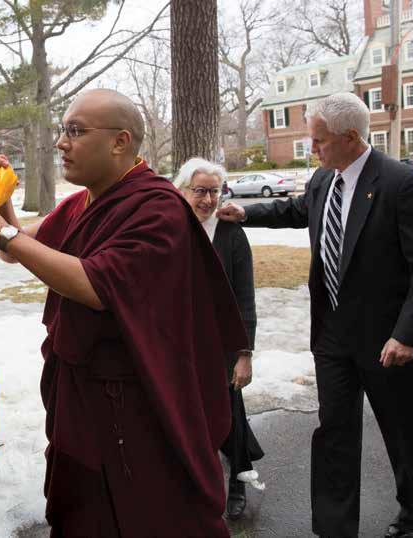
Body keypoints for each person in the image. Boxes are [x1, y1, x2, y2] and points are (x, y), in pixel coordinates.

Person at [0, 88, 247, 537]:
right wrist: (2, 204)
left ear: (120, 142)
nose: (61, 143)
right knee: (82, 511)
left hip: (133, 401)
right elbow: (18, 249)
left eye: (75, 131)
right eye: (62, 130)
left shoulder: (158, 208)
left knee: (146, 513)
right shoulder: (82, 203)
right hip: (81, 394)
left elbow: (94, 286)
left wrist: (5, 233)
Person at [218, 92, 413, 538]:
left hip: (388, 340)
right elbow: (297, 210)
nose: (312, 149)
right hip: (332, 336)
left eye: (319, 141)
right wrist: (246, 212)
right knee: (334, 433)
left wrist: (407, 334)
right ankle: (334, 526)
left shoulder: (401, 183)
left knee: (403, 432)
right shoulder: (325, 179)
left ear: (350, 138)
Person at [174, 157, 264, 520]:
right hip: (181, 343)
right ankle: (197, 484)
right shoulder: (172, 228)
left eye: (214, 191)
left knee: (229, 411)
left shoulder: (230, 234)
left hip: (223, 345)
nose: (208, 200)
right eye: (200, 191)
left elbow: (245, 297)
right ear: (183, 191)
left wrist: (245, 354)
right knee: (189, 415)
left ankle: (238, 481)